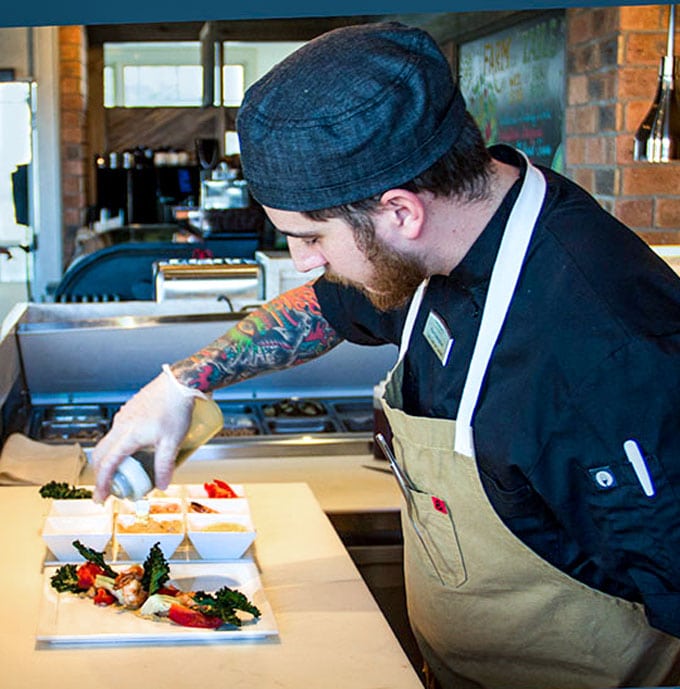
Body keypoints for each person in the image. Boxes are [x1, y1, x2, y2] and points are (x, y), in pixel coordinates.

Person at [92, 21, 680, 689]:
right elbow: (325, 306)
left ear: (401, 211)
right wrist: (185, 381)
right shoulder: (445, 232)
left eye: (309, 236)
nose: (304, 261)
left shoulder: (607, 353)